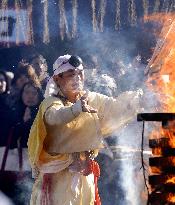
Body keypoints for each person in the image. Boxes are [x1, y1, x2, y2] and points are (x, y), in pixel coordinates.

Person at [27, 54, 142, 205]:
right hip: (58, 179)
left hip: (84, 175)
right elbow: (54, 117)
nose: (77, 78)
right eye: (71, 75)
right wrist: (77, 109)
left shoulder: (91, 98)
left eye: (80, 73)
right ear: (57, 79)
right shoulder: (51, 102)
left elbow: (117, 108)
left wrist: (139, 96)